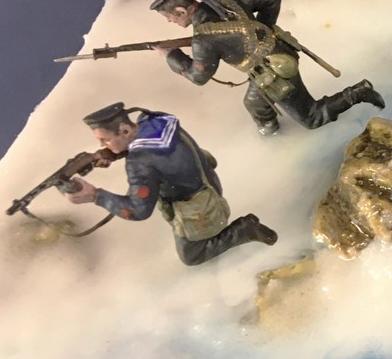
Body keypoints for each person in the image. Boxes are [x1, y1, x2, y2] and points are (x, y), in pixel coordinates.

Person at [150, 0, 384, 136]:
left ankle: (358, 92)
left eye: (169, 17)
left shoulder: (203, 39)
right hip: (279, 51)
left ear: (181, 11)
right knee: (254, 102)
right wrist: (263, 30)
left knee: (312, 118)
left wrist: (172, 55)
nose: (170, 21)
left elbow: (198, 76)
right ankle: (271, 131)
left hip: (275, 72)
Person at [63, 102, 277, 266]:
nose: (102, 144)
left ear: (125, 130)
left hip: (199, 205)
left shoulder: (139, 162)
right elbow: (155, 150)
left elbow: (138, 210)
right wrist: (115, 152)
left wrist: (95, 195)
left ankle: (243, 231)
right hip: (207, 178)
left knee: (192, 255)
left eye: (105, 139)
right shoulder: (155, 119)